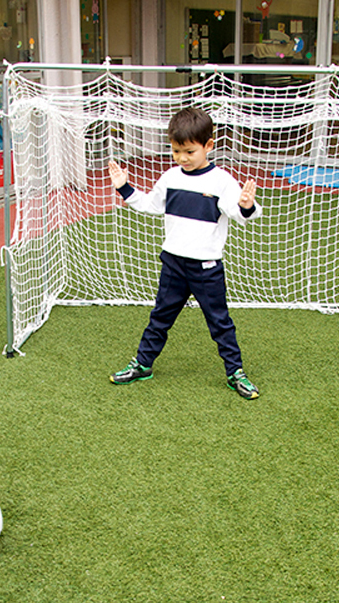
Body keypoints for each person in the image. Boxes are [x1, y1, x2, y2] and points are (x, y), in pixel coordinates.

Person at [108, 107, 261, 399]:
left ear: (209, 146)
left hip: (206, 268)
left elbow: (240, 214)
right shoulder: (170, 177)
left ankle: (235, 372)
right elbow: (152, 205)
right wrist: (124, 187)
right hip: (173, 264)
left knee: (220, 322)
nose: (182, 158)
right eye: (176, 151)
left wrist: (245, 205)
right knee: (160, 318)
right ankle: (143, 364)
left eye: (189, 152)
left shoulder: (222, 182)